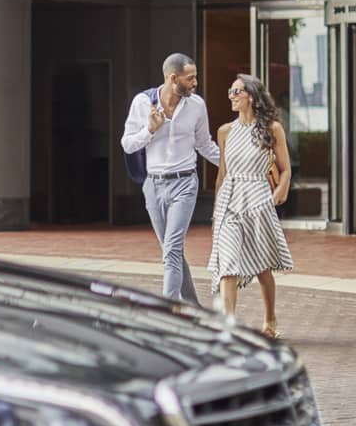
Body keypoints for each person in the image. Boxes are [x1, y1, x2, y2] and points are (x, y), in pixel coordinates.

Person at [121, 53, 221, 306]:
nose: (196, 82)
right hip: (153, 186)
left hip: (185, 183)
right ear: (172, 78)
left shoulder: (197, 105)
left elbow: (205, 145)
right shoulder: (142, 103)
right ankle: (193, 307)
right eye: (191, 78)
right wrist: (150, 130)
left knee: (173, 248)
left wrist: (238, 163)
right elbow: (128, 144)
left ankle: (169, 308)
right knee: (170, 251)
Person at [208, 73, 295, 339]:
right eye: (230, 92)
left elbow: (285, 169)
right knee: (228, 263)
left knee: (262, 266)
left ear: (251, 96)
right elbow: (222, 173)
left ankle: (270, 319)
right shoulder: (225, 131)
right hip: (230, 201)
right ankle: (229, 325)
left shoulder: (272, 129)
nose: (231, 97)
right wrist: (215, 210)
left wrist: (278, 192)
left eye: (237, 92)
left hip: (258, 198)